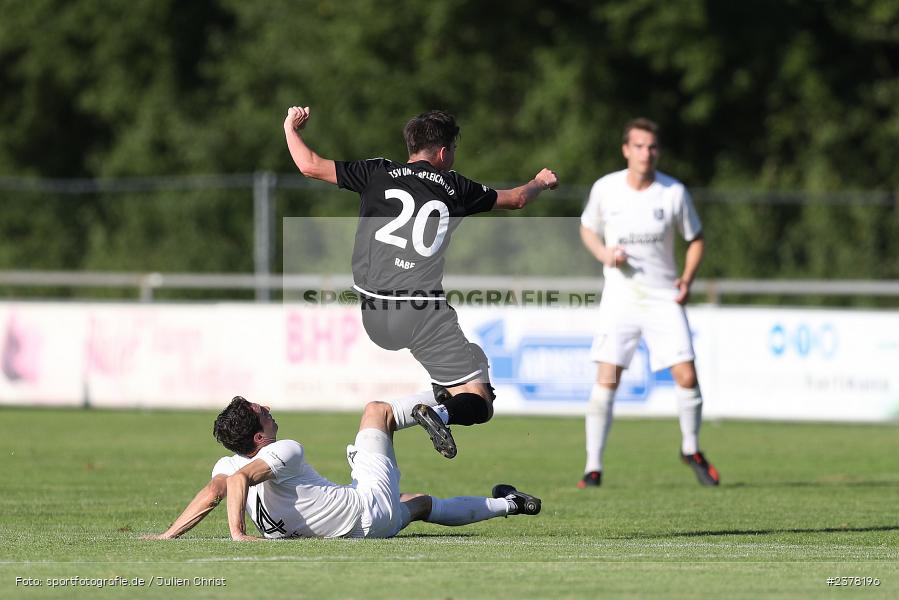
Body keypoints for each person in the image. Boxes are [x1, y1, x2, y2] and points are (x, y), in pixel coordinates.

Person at [284, 106, 558, 459]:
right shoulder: (456, 187)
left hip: (374, 314)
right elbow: (518, 198)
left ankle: (399, 416)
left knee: (464, 369)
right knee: (479, 398)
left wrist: (290, 127)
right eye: (453, 150)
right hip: (420, 312)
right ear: (443, 153)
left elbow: (308, 165)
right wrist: (540, 181)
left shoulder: (376, 172)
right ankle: (440, 413)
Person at [146, 396, 541, 541]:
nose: (267, 407)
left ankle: (510, 503)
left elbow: (215, 490)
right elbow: (238, 480)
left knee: (419, 503)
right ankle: (448, 403)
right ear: (259, 437)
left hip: (363, 526)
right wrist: (238, 535)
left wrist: (167, 535)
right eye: (260, 411)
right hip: (367, 507)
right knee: (378, 411)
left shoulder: (229, 463)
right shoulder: (286, 449)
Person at [577, 117, 720, 488]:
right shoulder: (606, 188)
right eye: (639, 146)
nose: (646, 153)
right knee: (607, 378)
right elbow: (587, 228)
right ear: (626, 150)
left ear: (659, 151)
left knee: (687, 376)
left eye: (652, 146)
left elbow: (696, 239)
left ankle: (690, 448)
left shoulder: (673, 193)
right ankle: (593, 468)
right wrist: (605, 254)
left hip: (662, 297)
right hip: (620, 297)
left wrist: (687, 279)